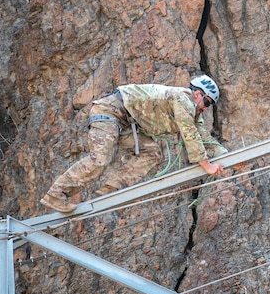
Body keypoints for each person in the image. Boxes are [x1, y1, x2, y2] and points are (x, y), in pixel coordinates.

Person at [40, 75, 229, 214]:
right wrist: (206, 165)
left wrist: (229, 159)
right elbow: (189, 133)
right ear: (197, 94)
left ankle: (108, 191)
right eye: (207, 102)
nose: (206, 108)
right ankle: (57, 193)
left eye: (209, 105)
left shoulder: (195, 113)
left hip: (127, 123)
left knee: (152, 153)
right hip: (112, 110)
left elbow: (205, 139)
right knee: (101, 159)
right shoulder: (182, 98)